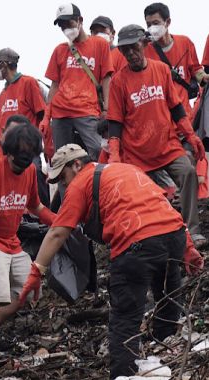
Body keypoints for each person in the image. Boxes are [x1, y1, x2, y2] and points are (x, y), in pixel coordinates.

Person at [18, 144, 204, 379]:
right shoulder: (128, 170)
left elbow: (57, 233)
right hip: (172, 237)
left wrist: (36, 272)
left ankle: (123, 374)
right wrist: (187, 248)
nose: (64, 185)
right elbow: (163, 205)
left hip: (136, 245)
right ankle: (167, 357)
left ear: (77, 165)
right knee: (167, 302)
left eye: (63, 177)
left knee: (125, 320)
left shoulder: (80, 183)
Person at [107, 24, 207, 248]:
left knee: (188, 172)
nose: (130, 53)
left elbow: (177, 108)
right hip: (136, 152)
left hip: (167, 145)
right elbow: (115, 123)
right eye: (125, 50)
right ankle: (154, 236)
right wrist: (115, 154)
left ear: (144, 44)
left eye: (134, 47)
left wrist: (191, 136)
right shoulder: (118, 82)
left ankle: (193, 230)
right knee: (139, 195)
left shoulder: (161, 69)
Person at [0, 122, 56, 359]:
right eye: (16, 162)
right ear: (7, 153)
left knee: (26, 293)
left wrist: (58, 221)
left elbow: (35, 205)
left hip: (12, 242)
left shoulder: (29, 171)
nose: (20, 168)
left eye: (26, 163)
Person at [43, 3, 113, 160]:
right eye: (62, 26)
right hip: (60, 113)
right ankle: (66, 186)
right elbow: (54, 85)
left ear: (80, 20)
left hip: (87, 110)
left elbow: (106, 78)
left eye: (69, 23)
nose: (66, 28)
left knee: (97, 150)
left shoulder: (99, 44)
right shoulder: (60, 50)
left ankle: (99, 182)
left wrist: (107, 109)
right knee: (62, 158)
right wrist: (47, 116)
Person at [143, 3, 209, 118]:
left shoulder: (185, 43)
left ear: (167, 22)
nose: (152, 28)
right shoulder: (144, 51)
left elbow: (195, 69)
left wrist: (203, 77)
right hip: (159, 119)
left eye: (156, 23)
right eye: (148, 24)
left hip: (185, 117)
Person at [0, 48, 46, 141]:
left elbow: (42, 114)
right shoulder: (3, 93)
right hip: (6, 147)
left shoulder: (28, 82)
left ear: (3, 65)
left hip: (26, 143)